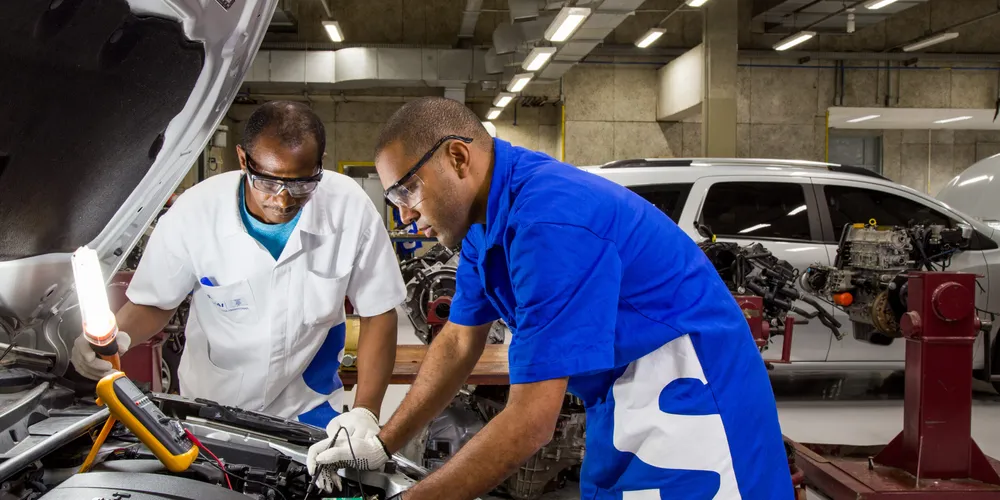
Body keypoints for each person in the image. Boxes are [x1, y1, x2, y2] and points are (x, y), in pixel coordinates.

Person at [306, 97, 793, 499]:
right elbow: (457, 342)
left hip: (694, 395)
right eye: (394, 200)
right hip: (619, 393)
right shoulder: (484, 221)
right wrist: (382, 442)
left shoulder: (549, 223)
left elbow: (531, 420)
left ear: (457, 158)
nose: (405, 216)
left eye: (408, 191)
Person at [70, 101, 406, 436]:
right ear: (243, 160)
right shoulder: (195, 213)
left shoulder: (349, 209)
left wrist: (365, 412)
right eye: (269, 183)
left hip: (309, 407)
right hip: (212, 408)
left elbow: (378, 312)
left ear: (320, 165)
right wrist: (116, 337)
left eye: (302, 184)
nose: (284, 200)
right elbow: (155, 302)